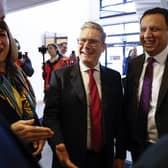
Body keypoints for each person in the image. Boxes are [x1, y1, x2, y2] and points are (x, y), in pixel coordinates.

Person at [43, 21, 126, 168]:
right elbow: (51, 117)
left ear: (103, 47)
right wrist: (58, 144)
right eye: (82, 41)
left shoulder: (114, 78)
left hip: (104, 159)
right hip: (69, 158)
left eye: (93, 41)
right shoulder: (60, 77)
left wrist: (120, 155)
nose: (86, 46)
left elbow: (119, 120)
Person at [0, 20, 54, 161]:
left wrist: (37, 131)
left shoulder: (16, 71)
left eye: (1, 35)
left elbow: (29, 108)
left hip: (29, 154)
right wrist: (10, 135)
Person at [124, 7, 168, 163]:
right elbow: (128, 105)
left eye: (154, 29)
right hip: (138, 147)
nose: (147, 35)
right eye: (143, 29)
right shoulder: (134, 65)